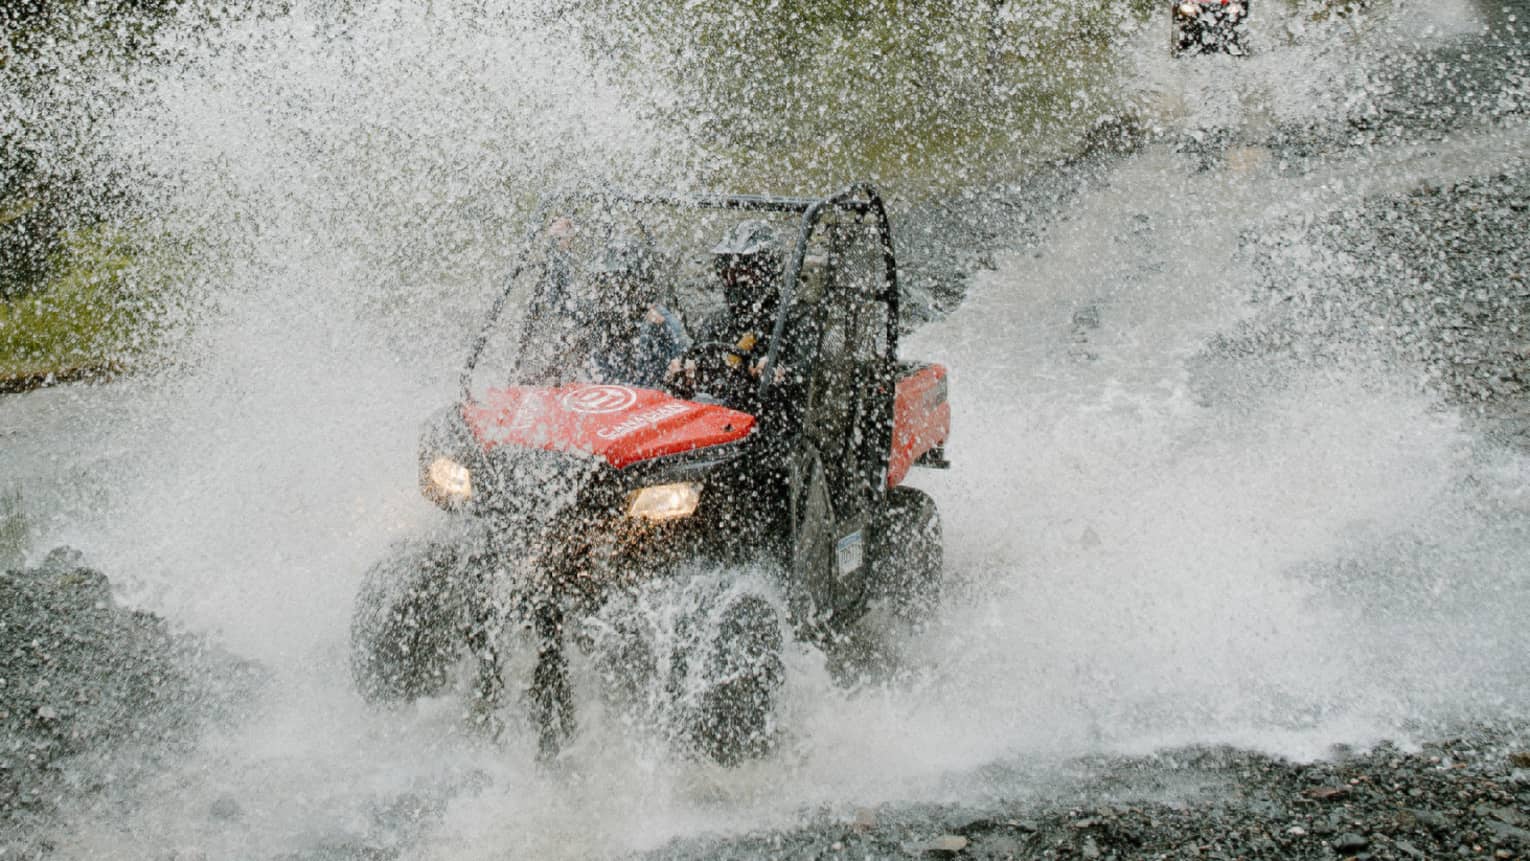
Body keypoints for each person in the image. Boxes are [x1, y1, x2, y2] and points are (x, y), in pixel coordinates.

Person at [666, 219, 791, 406]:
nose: (733, 282)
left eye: (743, 273)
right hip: (715, 422)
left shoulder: (793, 323)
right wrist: (682, 375)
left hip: (769, 426)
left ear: (768, 271)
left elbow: (805, 383)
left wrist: (780, 375)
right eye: (726, 273)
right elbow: (696, 368)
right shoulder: (717, 323)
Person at [572, 236, 688, 388]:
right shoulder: (599, 319)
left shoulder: (657, 320)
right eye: (602, 282)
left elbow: (683, 355)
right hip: (612, 392)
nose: (607, 291)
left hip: (646, 395)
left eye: (613, 282)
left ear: (634, 283)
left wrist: (678, 364)